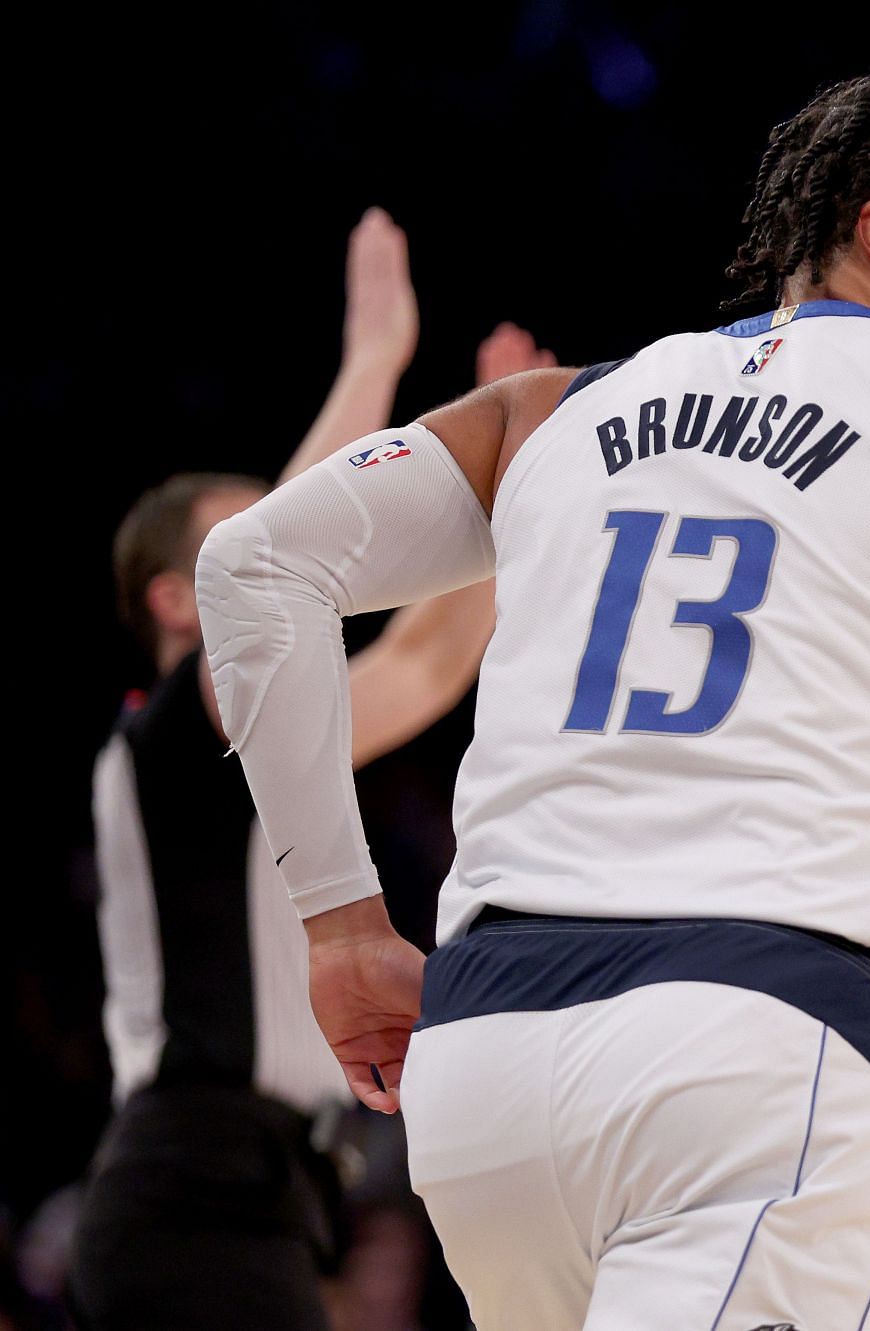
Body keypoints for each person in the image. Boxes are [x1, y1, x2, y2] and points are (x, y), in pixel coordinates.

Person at [195, 69, 870, 1330]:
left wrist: (342, 927)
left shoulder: (555, 407)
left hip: (485, 1073)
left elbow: (254, 567)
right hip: (754, 1048)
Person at [72, 207, 554, 1330]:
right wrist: (375, 356)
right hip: (187, 1181)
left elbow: (431, 659)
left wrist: (508, 484)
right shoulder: (158, 742)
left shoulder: (253, 755)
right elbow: (267, 569)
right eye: (235, 541)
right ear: (172, 598)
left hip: (249, 1190)